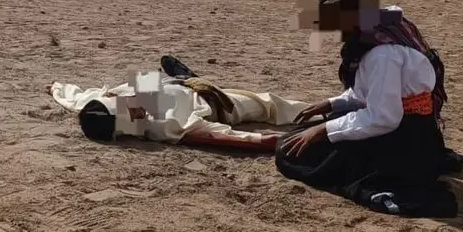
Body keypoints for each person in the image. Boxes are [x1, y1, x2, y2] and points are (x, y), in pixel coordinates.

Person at [275, 0, 463, 217]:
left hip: (403, 138)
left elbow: (384, 116)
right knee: (298, 139)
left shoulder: (380, 53)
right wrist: (332, 104)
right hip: (407, 127)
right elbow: (374, 91)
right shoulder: (381, 27)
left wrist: (323, 129)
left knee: (290, 154)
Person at [49, 56, 310, 151]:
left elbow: (74, 98)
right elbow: (214, 136)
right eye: (130, 115)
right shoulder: (163, 127)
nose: (134, 111)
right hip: (212, 100)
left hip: (168, 86)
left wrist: (55, 88)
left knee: (148, 81)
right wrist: (270, 142)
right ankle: (187, 77)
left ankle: (181, 75)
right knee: (268, 105)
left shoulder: (96, 105)